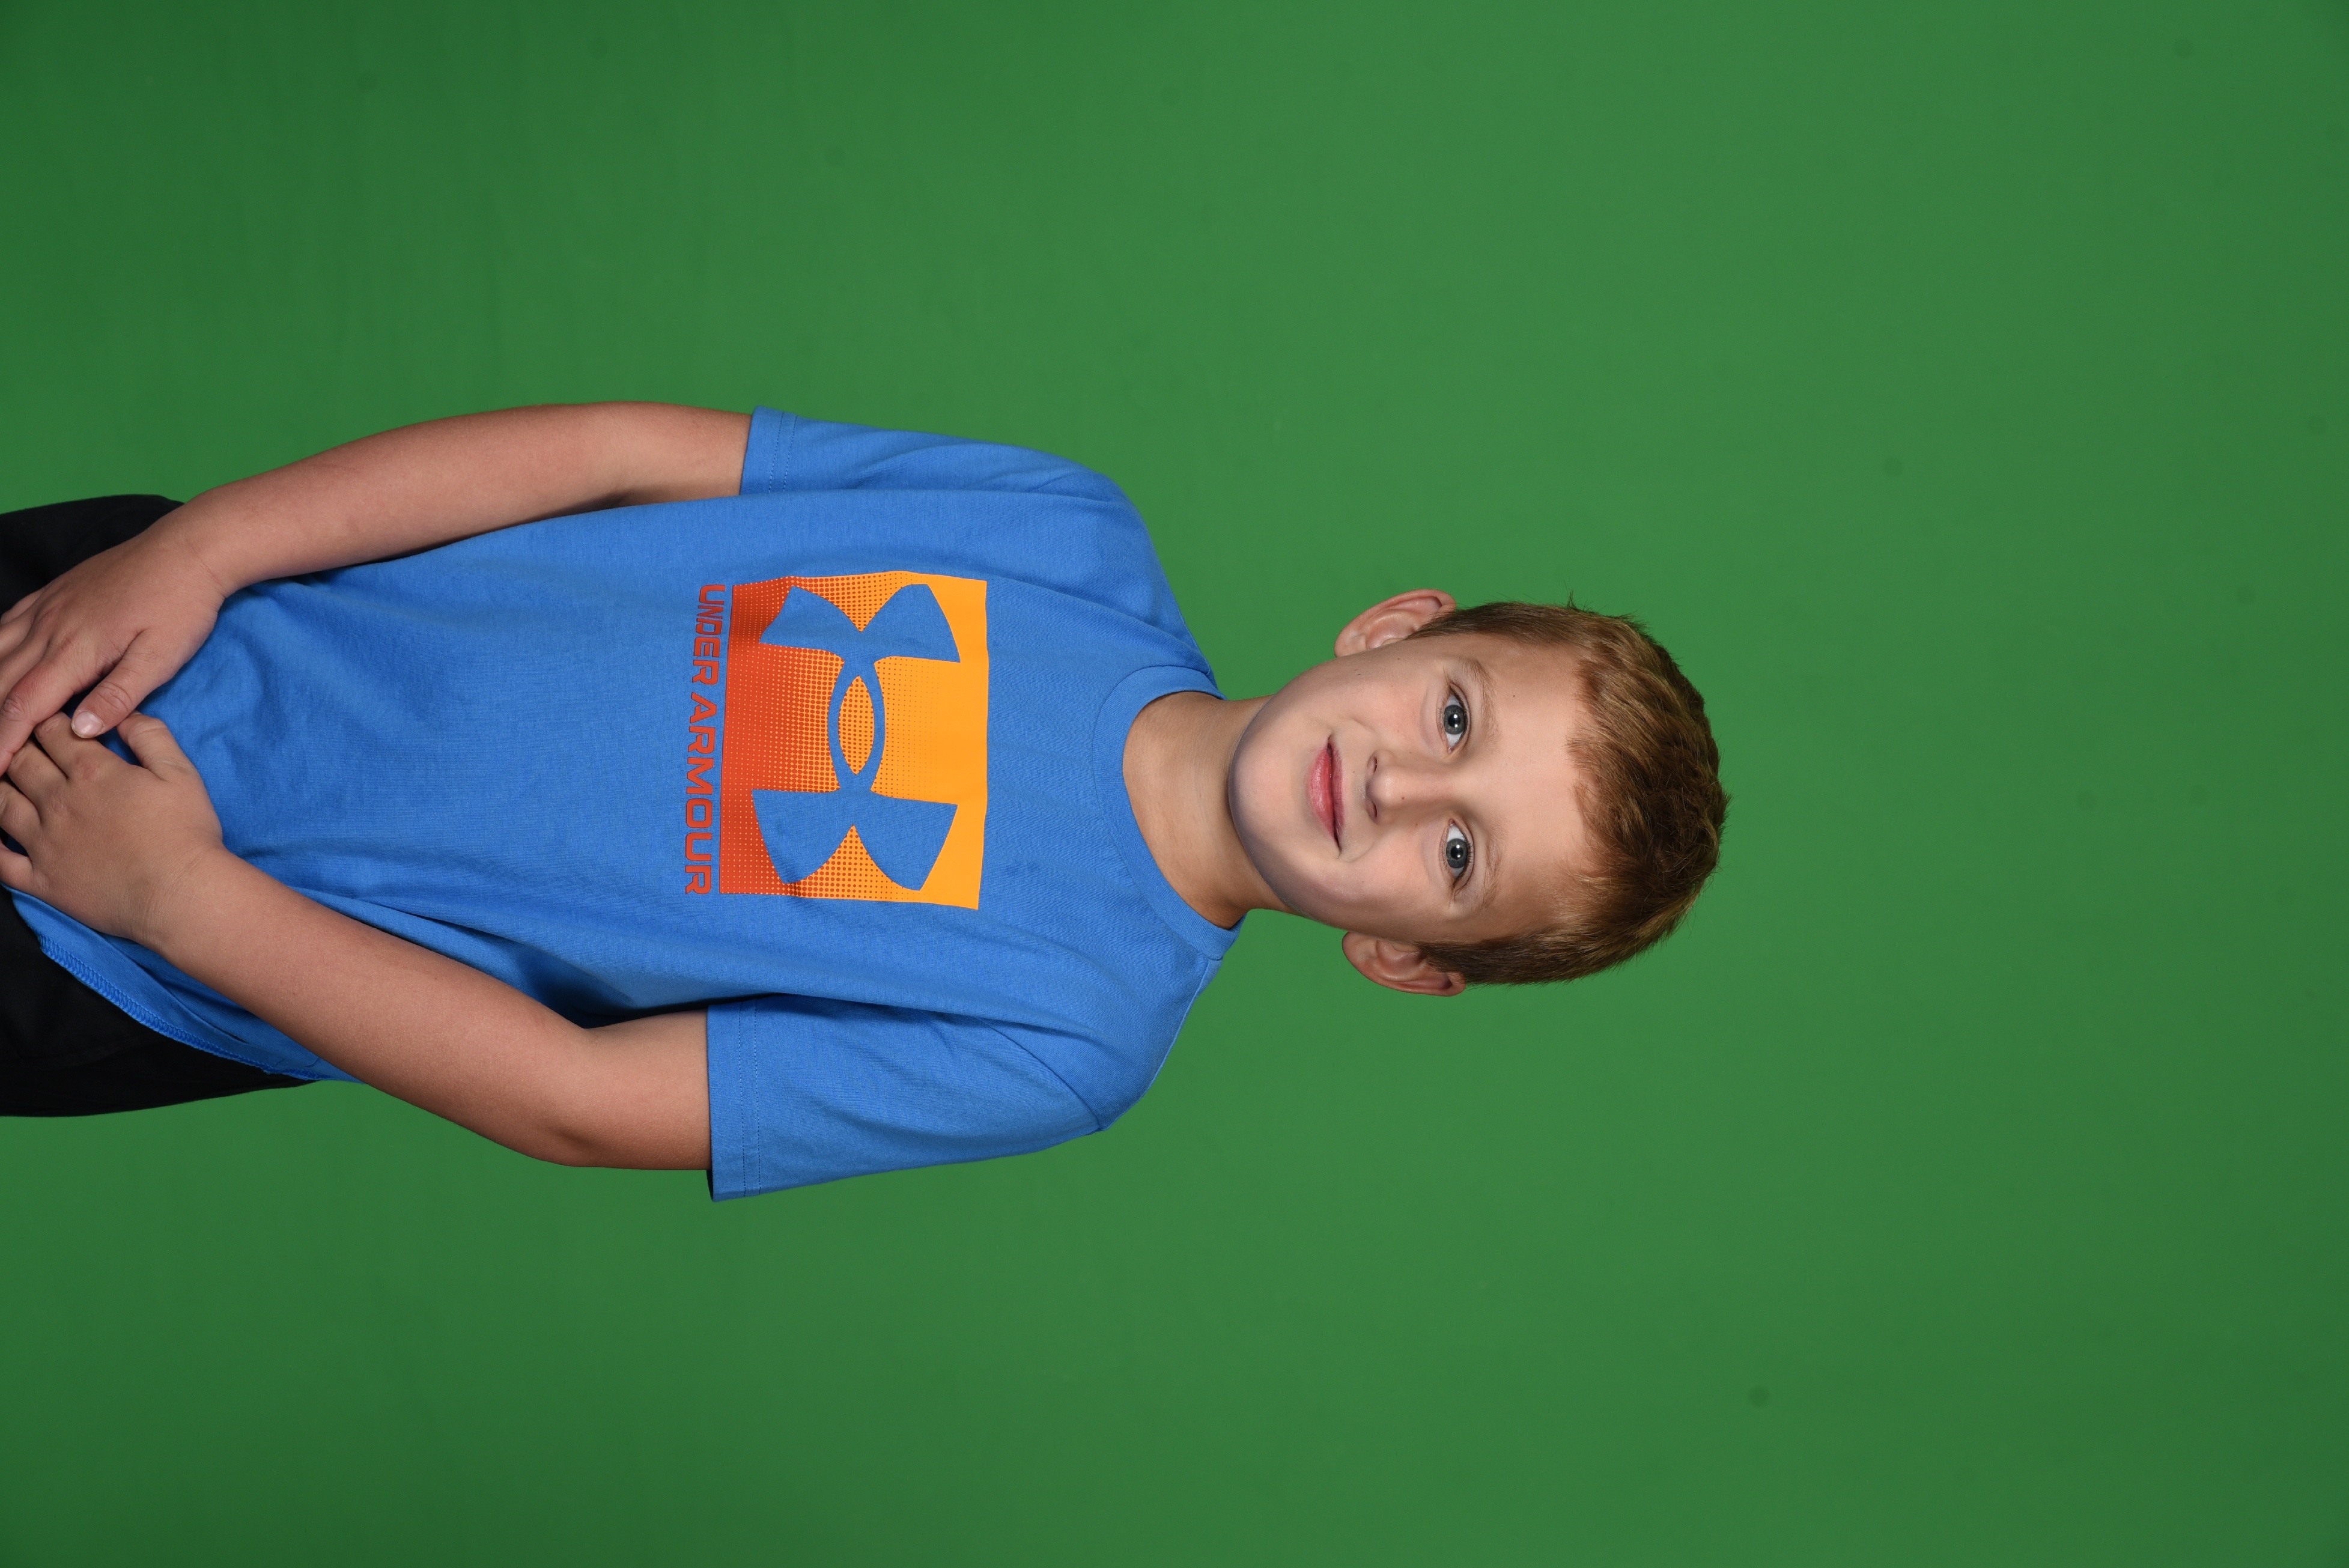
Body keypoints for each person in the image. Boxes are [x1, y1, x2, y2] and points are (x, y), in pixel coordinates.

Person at [0, 403, 1726, 1197]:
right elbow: (610, 454)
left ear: (1404, 960)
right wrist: (205, 543)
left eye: (1459, 851)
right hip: (159, 608)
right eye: (1454, 714)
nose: (1405, 781)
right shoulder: (1062, 534)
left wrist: (181, 903)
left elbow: (580, 1101)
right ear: (1399, 629)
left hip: (110, 937)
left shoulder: (1070, 1038)